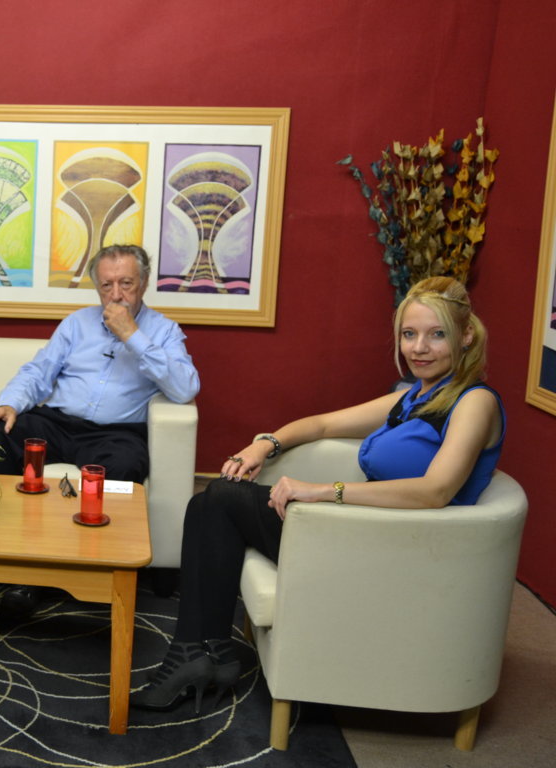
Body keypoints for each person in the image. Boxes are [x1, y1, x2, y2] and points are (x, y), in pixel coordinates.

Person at [130, 276, 505, 714]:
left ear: (466, 335)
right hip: (366, 529)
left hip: (406, 550)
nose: (419, 348)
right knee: (211, 503)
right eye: (409, 334)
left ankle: (201, 653)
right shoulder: (414, 397)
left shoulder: (474, 402)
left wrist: (325, 492)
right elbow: (323, 424)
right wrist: (264, 444)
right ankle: (201, 651)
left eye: (436, 334)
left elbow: (435, 491)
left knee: (221, 499)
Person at [0, 243, 200, 621]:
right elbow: (38, 372)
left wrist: (133, 336)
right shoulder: (77, 324)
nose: (116, 294)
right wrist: (9, 403)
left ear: (144, 283)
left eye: (126, 283)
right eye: (106, 285)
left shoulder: (163, 331)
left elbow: (185, 387)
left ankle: (82, 569)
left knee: (124, 466)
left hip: (116, 433)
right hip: (59, 422)